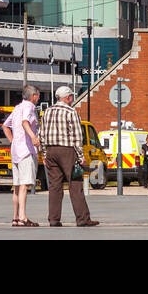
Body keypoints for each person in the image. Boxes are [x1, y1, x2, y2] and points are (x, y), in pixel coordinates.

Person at [38, 85, 97, 227]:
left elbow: (42, 134)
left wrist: (45, 154)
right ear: (68, 97)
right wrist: (81, 155)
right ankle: (82, 218)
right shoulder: (71, 112)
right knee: (75, 184)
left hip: (51, 151)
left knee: (54, 186)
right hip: (67, 151)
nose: (72, 99)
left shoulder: (47, 112)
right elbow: (77, 135)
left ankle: (54, 219)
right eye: (71, 97)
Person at [2, 84, 41, 227]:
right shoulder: (29, 107)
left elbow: (5, 126)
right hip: (25, 150)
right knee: (24, 184)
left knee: (17, 186)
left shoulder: (17, 108)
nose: (38, 98)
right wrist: (33, 137)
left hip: (16, 151)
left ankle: (15, 217)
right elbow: (25, 122)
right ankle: (23, 216)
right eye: (38, 95)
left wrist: (13, 141)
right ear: (33, 96)